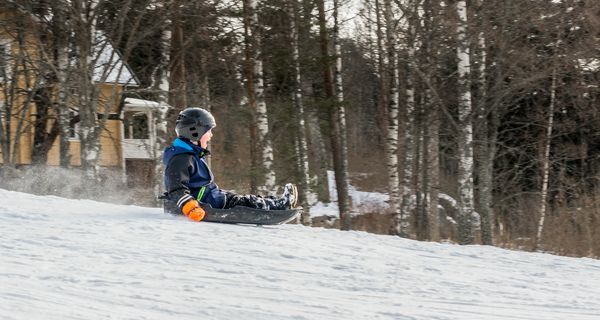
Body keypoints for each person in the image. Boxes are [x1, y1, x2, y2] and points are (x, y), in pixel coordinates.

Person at [162, 107, 297, 222]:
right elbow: (176, 187)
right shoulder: (181, 158)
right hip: (207, 203)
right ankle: (280, 205)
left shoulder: (189, 155)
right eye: (208, 131)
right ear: (194, 132)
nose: (211, 135)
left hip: (212, 198)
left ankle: (276, 204)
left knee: (242, 200)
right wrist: (189, 206)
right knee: (243, 202)